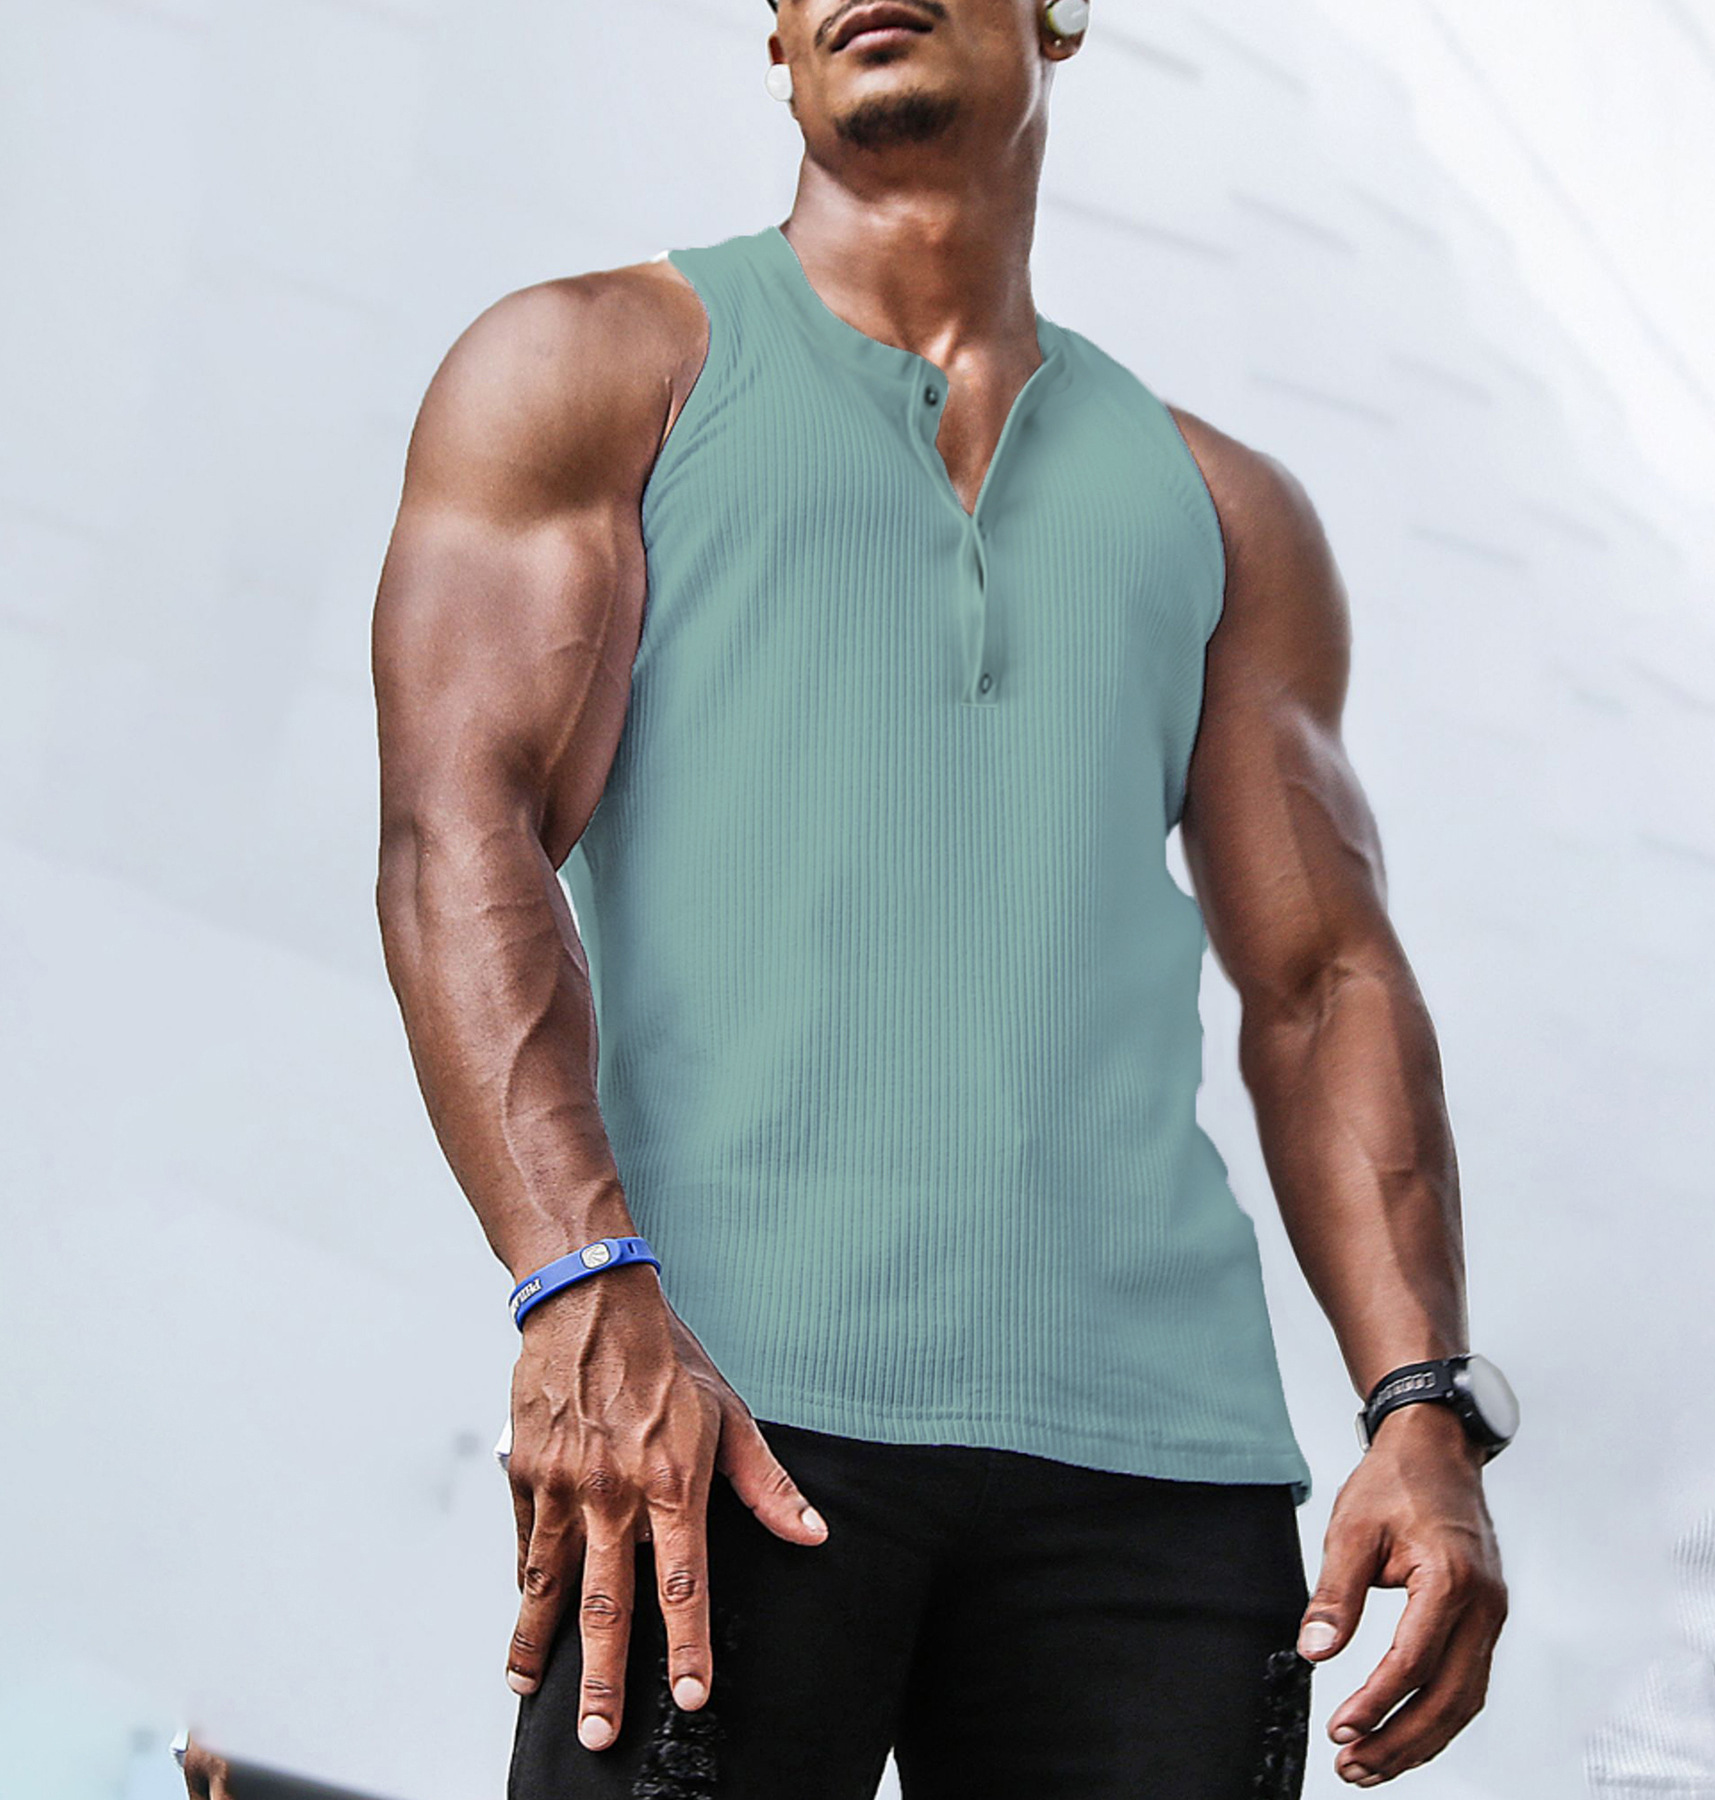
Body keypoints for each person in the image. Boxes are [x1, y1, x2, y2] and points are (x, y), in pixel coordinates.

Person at [371, 1, 1512, 1794]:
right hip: (724, 1418)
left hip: (1163, 1476)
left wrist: (1422, 1403)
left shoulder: (1220, 507)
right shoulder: (593, 369)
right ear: (774, 34)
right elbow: (459, 831)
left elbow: (1323, 980)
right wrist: (576, 1281)